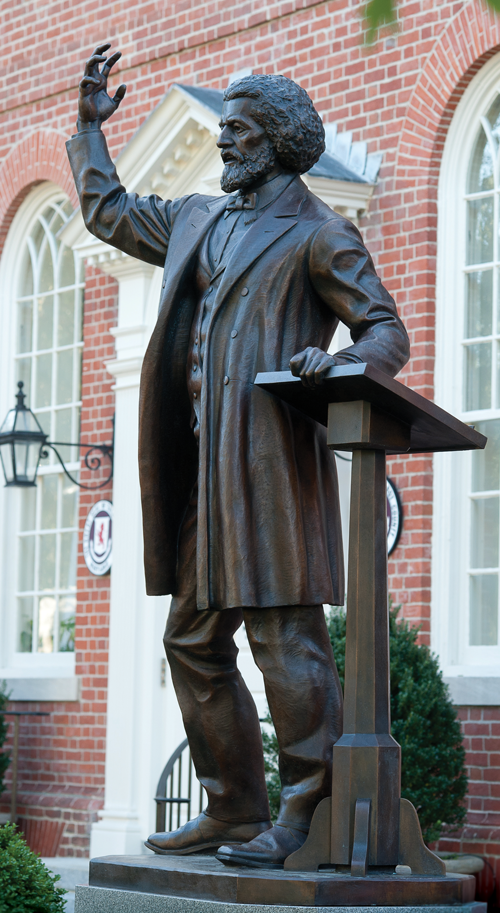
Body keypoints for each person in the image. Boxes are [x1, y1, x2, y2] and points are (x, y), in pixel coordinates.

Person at [66, 45, 410, 869]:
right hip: (202, 474)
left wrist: (345, 363)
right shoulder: (196, 220)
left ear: (279, 141)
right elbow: (109, 211)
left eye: (239, 131)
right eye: (222, 130)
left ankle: (310, 809)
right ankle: (231, 805)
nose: (223, 143)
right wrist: (87, 132)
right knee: (191, 639)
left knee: (286, 640)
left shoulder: (322, 235)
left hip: (272, 470)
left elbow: (386, 331)